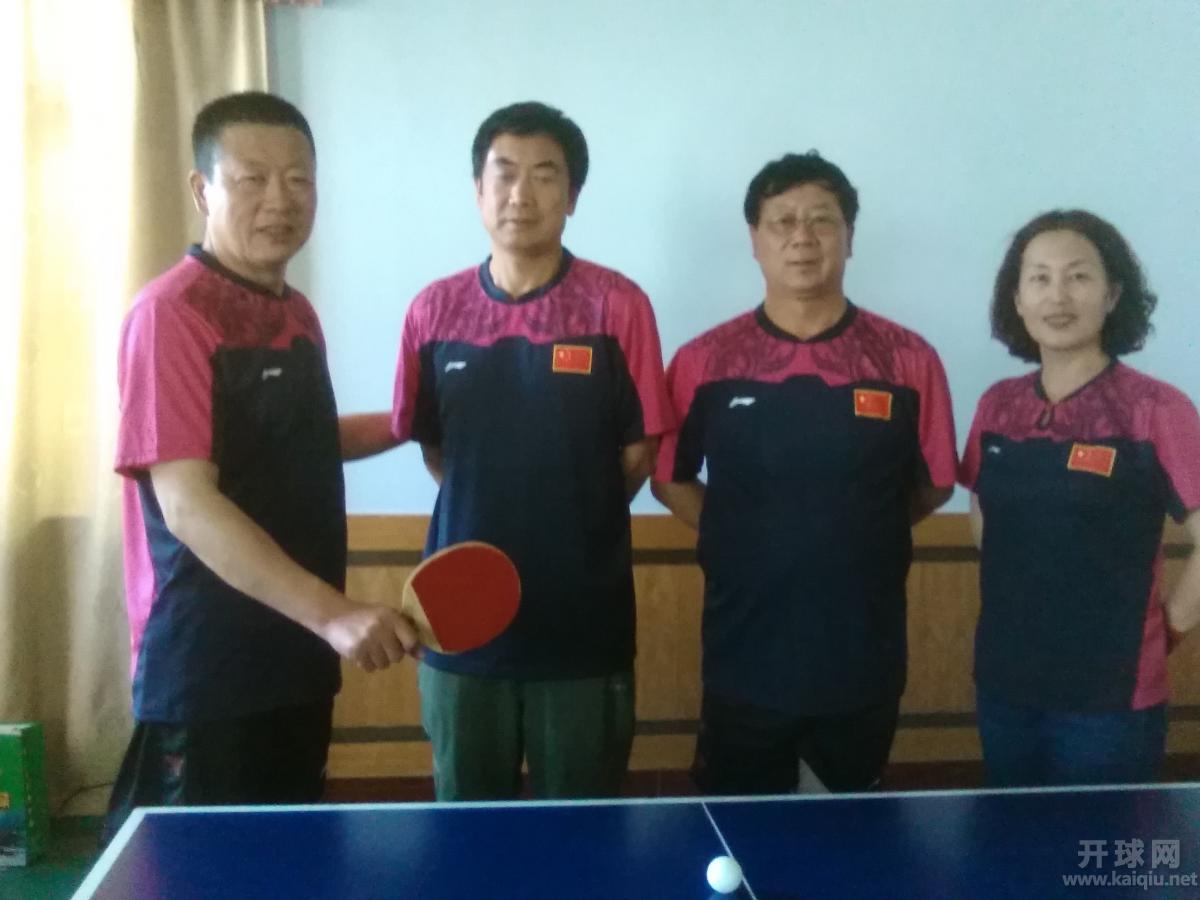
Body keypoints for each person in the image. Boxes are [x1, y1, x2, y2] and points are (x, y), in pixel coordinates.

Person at [106, 92, 416, 840]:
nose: (281, 200)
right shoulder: (172, 314)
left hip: (296, 653)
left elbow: (296, 443)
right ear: (201, 189)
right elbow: (188, 502)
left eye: (299, 179)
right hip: (209, 668)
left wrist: (412, 422)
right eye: (252, 178)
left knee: (286, 855)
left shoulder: (295, 313)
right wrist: (336, 613)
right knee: (200, 872)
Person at [391, 101, 673, 800]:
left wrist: (575, 509)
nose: (521, 194)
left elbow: (638, 452)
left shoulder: (618, 305)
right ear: (478, 190)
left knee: (581, 834)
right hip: (458, 628)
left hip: (583, 628)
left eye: (546, 176)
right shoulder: (432, 311)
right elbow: (435, 448)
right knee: (468, 834)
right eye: (504, 173)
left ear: (572, 196)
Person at [651, 152, 957, 795]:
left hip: (863, 652)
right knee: (740, 829)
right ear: (755, 240)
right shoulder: (705, 359)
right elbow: (668, 477)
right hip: (743, 649)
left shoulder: (908, 359)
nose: (802, 237)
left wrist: (859, 530)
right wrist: (739, 534)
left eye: (822, 220)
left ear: (850, 237)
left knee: (847, 832)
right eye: (782, 221)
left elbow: (936, 482)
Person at [959, 209, 1200, 787]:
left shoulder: (1156, 409)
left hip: (1110, 700)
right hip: (1005, 686)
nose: (1058, 295)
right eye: (1039, 278)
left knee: (1098, 844)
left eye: (1078, 276)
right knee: (1014, 834)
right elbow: (982, 507)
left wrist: (1169, 626)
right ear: (1017, 299)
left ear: (1113, 294)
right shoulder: (997, 405)